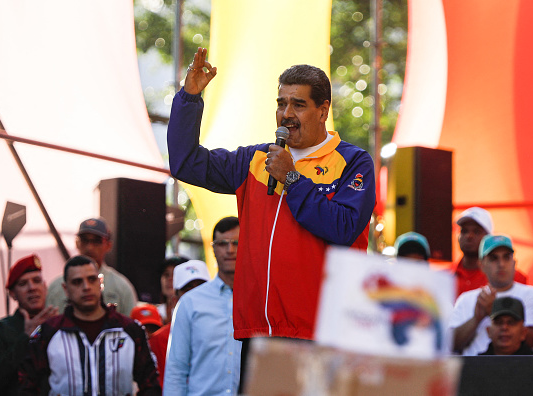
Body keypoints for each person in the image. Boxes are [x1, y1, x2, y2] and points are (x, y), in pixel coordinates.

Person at [167, 48, 376, 343]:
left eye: (298, 105)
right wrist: (189, 98)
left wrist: (292, 179)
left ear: (323, 110)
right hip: (258, 333)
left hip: (321, 336)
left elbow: (343, 228)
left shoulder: (353, 162)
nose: (286, 114)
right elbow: (185, 163)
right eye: (281, 103)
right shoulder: (255, 160)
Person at [19, 255, 161, 395]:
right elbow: (27, 384)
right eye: (77, 282)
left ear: (100, 283)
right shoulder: (48, 332)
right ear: (65, 289)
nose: (86, 287)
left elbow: (151, 384)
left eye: (92, 279)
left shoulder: (130, 330)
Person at [163, 216, 242, 395]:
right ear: (213, 248)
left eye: (236, 243)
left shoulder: (263, 300)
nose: (230, 250)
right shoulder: (190, 303)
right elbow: (176, 369)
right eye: (223, 243)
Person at [449, 235, 533, 356]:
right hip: (474, 371)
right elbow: (449, 346)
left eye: (506, 257)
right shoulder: (466, 299)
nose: (501, 264)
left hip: (519, 370)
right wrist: (477, 318)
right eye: (494, 258)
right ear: (481, 265)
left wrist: (492, 312)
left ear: (514, 263)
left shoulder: (531, 294)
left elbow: (530, 340)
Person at [0, 254, 57, 395]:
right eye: (23, 284)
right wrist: (25, 338)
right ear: (12, 294)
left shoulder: (58, 326)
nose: (32, 288)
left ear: (45, 287)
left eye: (37, 281)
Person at [46, 217, 138, 316]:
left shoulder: (121, 287)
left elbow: (131, 326)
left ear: (108, 245)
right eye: (84, 240)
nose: (89, 247)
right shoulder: (56, 286)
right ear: (77, 243)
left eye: (96, 241)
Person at [149, 259, 210, 387]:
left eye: (201, 287)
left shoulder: (228, 333)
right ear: (175, 300)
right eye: (188, 289)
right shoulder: (159, 340)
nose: (196, 294)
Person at [452, 207, 527, 297]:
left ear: (489, 236)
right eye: (464, 231)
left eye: (476, 231)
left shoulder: (513, 277)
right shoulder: (443, 276)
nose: (469, 236)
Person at [157, 256, 190, 324]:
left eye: (175, 275)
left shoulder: (194, 312)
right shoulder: (155, 313)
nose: (170, 279)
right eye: (166, 275)